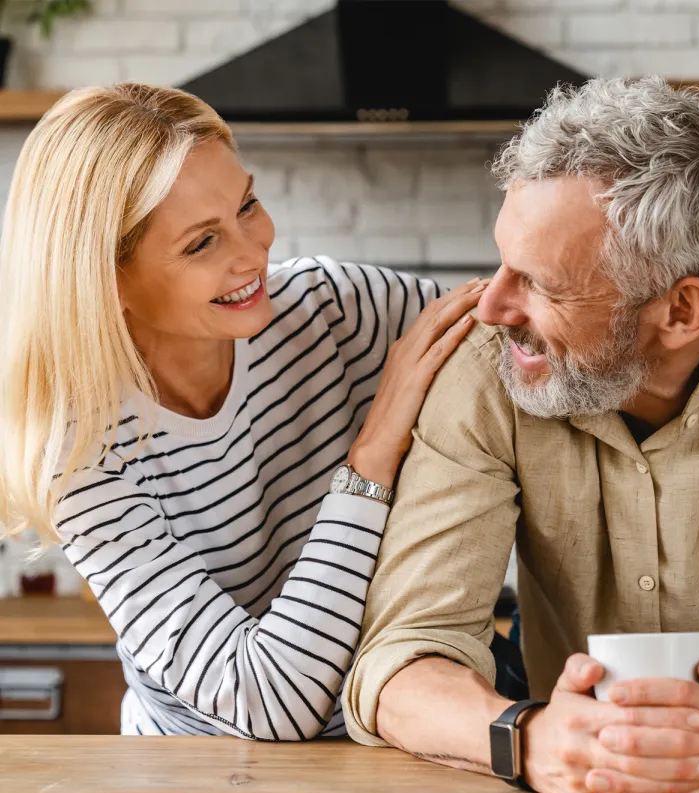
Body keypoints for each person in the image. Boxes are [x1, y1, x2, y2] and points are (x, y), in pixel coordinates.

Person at [343, 77, 699, 793]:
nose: (492, 305)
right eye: (501, 261)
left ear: (681, 311)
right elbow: (399, 665)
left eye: (542, 284)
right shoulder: (486, 368)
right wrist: (525, 739)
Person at [0, 83, 487, 738]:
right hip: (196, 773)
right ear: (107, 282)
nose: (253, 251)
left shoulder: (333, 309)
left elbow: (516, 346)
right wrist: (371, 457)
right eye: (202, 243)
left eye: (247, 206)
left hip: (383, 747)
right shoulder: (81, 452)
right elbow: (269, 702)